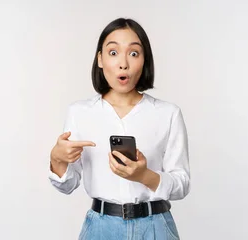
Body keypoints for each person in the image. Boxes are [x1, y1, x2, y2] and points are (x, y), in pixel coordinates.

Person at [48, 18, 190, 240]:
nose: (123, 63)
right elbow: (67, 185)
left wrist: (145, 176)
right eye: (113, 52)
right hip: (101, 229)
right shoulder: (79, 112)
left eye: (134, 53)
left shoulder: (168, 113)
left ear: (144, 61)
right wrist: (57, 159)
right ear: (100, 59)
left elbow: (182, 184)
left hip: (155, 228)